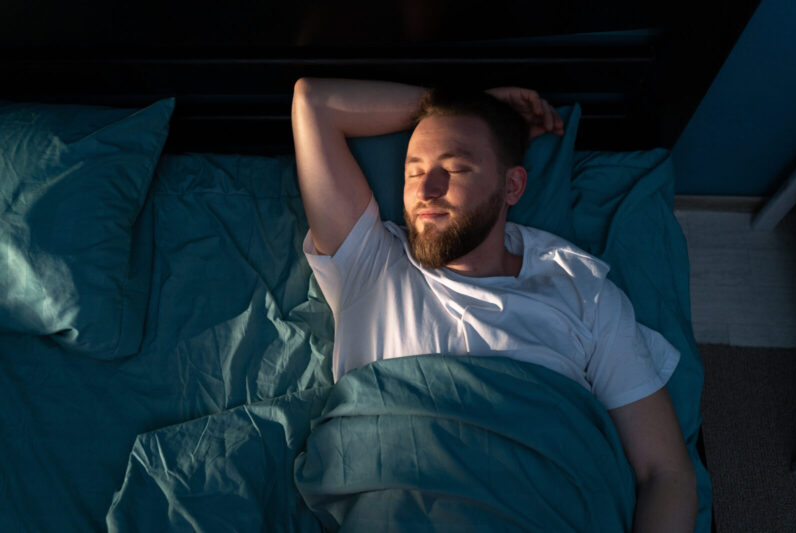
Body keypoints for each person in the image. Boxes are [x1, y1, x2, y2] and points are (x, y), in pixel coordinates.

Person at [291, 77, 698, 532]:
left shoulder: (582, 290)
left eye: (456, 169)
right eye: (413, 170)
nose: (427, 190)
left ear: (512, 186)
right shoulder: (369, 259)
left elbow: (666, 473)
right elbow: (314, 102)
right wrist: (457, 101)